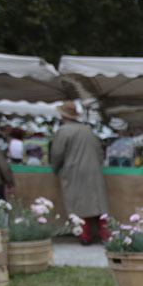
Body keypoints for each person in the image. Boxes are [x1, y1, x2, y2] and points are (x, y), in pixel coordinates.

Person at [50, 101, 111, 245]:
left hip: (73, 171)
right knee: (97, 203)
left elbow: (57, 153)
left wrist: (55, 168)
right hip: (93, 170)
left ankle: (85, 235)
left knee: (77, 203)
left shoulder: (63, 131)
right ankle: (105, 234)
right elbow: (99, 152)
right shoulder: (87, 130)